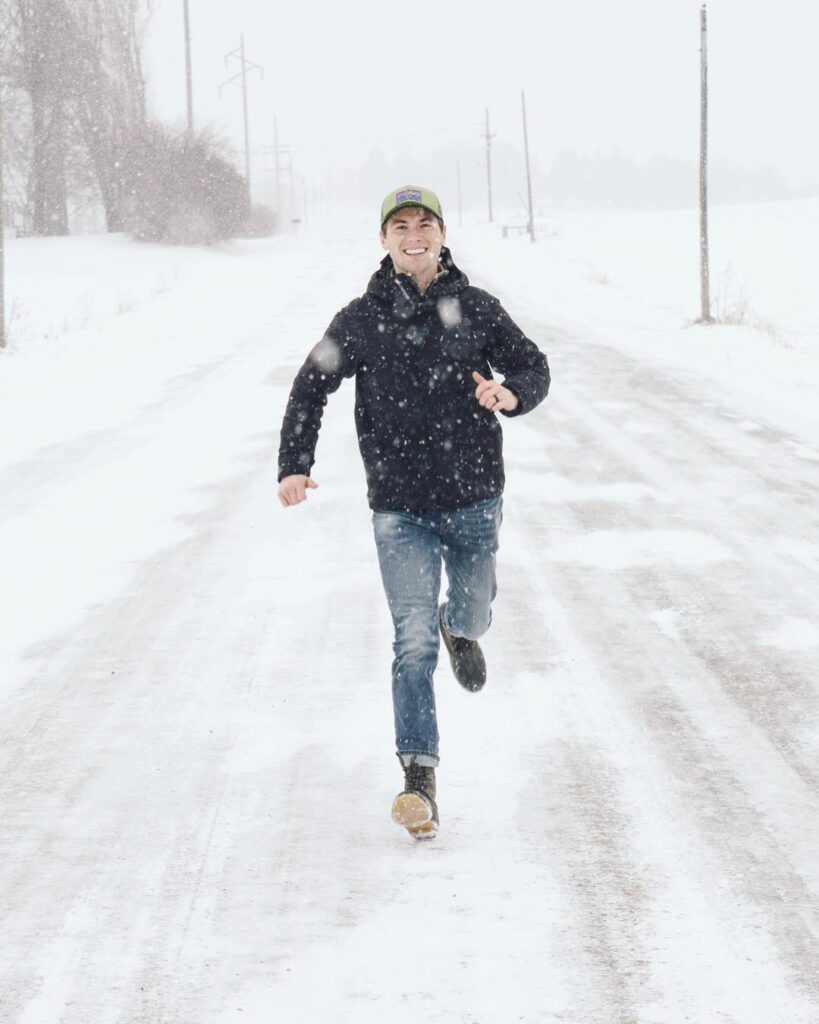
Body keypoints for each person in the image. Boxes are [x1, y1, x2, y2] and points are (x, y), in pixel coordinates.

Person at [278, 185, 550, 840]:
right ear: (384, 240)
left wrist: (508, 392)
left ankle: (463, 627)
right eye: (399, 226)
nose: (412, 234)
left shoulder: (475, 308)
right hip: (398, 507)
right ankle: (418, 783)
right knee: (410, 643)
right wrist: (294, 462)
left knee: (473, 607)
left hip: (473, 496)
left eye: (423, 223)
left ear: (442, 234)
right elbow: (311, 384)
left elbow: (532, 366)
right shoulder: (360, 319)